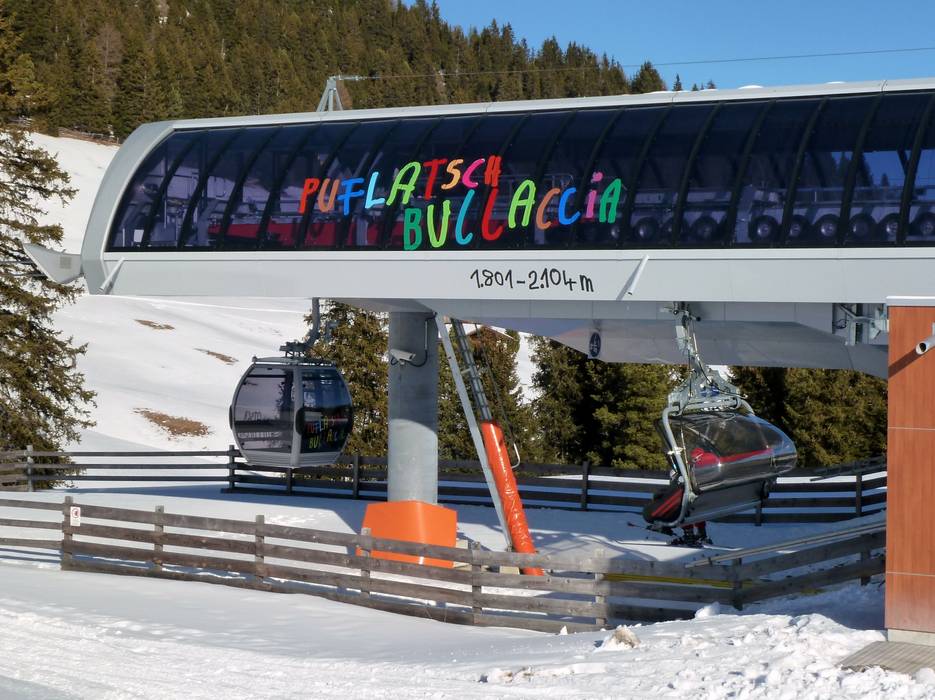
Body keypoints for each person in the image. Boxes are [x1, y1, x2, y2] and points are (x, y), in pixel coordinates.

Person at [642, 446, 713, 546]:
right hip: (702, 499)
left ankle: (689, 534)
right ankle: (701, 533)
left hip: (688, 500)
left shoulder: (690, 470)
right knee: (690, 506)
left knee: (681, 506)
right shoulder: (703, 469)